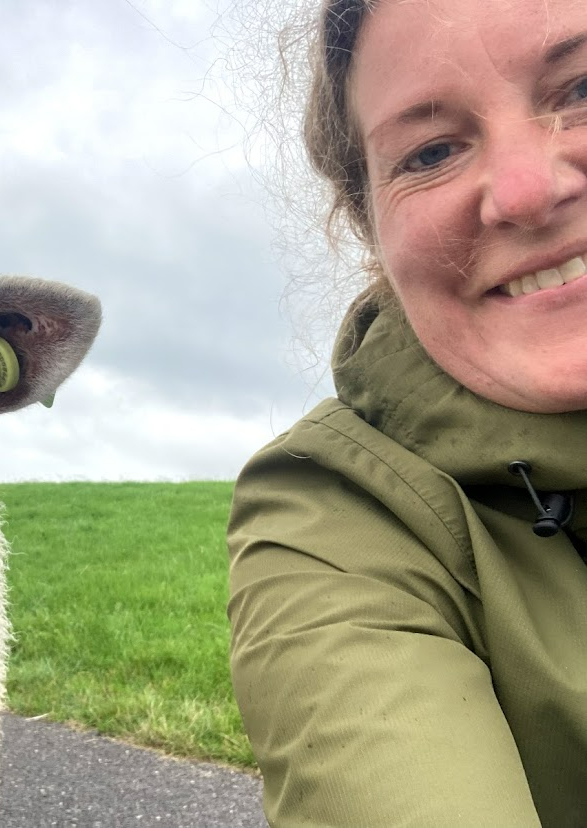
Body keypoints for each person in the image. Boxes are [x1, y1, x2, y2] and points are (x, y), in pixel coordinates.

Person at [226, 0, 587, 825]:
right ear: (371, 228)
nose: (527, 192)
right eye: (429, 152)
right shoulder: (334, 515)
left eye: (584, 86)